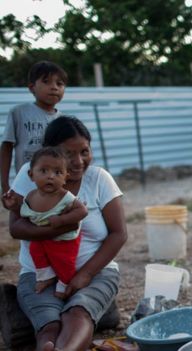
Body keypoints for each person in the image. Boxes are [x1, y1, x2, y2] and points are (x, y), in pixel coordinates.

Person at [2, 116, 127, 351]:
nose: (79, 162)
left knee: (78, 313)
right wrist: (58, 227)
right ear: (50, 152)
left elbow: (119, 234)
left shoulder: (99, 179)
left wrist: (86, 275)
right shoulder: (30, 174)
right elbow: (16, 228)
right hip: (39, 275)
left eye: (85, 151)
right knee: (49, 323)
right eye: (69, 154)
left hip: (96, 271)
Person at [4, 147, 88, 299]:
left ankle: (64, 282)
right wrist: (13, 207)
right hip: (42, 239)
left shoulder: (65, 196)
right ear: (31, 175)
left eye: (57, 172)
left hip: (65, 240)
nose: (50, 177)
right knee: (35, 250)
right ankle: (46, 275)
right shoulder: (30, 196)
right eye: (43, 171)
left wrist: (62, 220)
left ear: (65, 177)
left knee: (64, 262)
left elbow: (82, 211)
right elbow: (24, 213)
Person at [1, 61, 67, 196]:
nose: (54, 87)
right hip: (25, 186)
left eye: (59, 84)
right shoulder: (19, 113)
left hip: (54, 188)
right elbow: (6, 148)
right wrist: (5, 184)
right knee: (20, 216)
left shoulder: (63, 121)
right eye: (46, 82)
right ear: (32, 87)